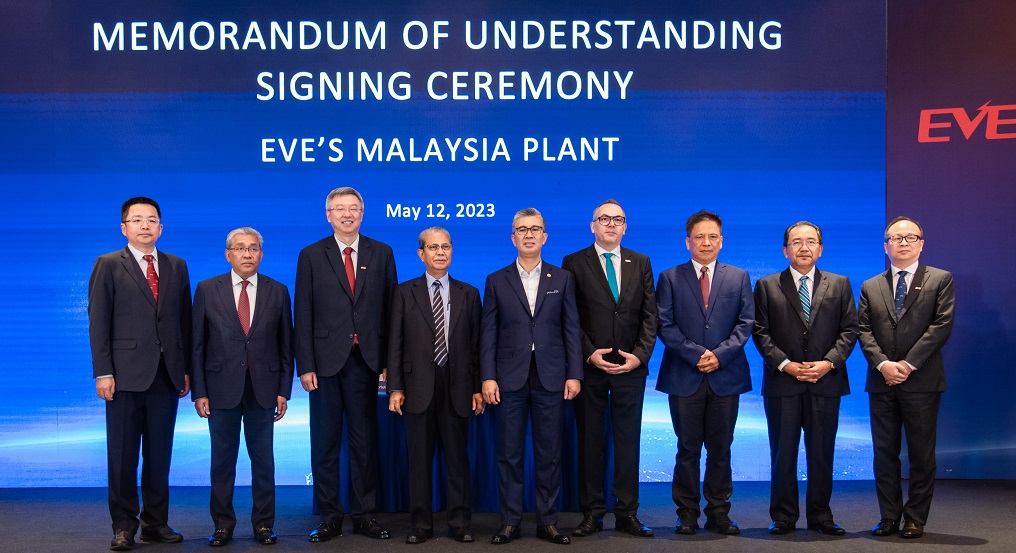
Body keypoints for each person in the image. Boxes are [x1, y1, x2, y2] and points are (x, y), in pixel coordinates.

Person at [294, 187, 397, 542]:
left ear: (362, 214)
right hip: (323, 365)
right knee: (325, 444)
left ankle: (365, 515)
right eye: (340, 209)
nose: (347, 214)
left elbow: (392, 311)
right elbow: (302, 312)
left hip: (365, 362)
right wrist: (305, 364)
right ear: (328, 215)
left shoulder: (382, 252)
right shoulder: (310, 254)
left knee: (363, 442)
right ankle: (330, 517)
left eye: (353, 208)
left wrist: (389, 362)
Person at [88, 197, 191, 551]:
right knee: (123, 456)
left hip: (166, 375)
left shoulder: (177, 265)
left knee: (159, 455)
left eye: (151, 219)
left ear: (161, 228)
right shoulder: (107, 264)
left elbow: (184, 321)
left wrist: (185, 370)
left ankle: (155, 524)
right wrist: (103, 372)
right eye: (137, 219)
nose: (145, 225)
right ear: (124, 227)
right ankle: (123, 526)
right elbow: (98, 322)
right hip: (123, 376)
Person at [481, 208, 583, 545]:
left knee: (549, 454)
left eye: (535, 229)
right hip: (508, 378)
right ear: (513, 237)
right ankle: (509, 522)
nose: (529, 234)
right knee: (509, 454)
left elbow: (571, 328)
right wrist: (488, 376)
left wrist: (575, 373)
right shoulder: (496, 280)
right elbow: (488, 332)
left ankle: (548, 522)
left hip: (551, 377)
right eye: (522, 229)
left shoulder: (562, 278)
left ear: (545, 237)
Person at [751, 221, 858, 536]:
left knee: (822, 453)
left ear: (820, 249)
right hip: (783, 383)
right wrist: (785, 364)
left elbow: (850, 330)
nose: (804, 247)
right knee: (783, 453)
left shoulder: (839, 284)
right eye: (796, 242)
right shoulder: (767, 285)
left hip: (826, 382)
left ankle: (821, 516)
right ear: (785, 250)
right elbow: (760, 332)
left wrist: (828, 363)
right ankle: (783, 516)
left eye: (811, 241)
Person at [192, 227, 294, 546]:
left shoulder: (278, 291)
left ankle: (263, 525)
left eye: (253, 248)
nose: (247, 254)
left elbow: (286, 345)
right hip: (220, 388)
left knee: (263, 462)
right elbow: (197, 345)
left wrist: (284, 390)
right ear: (228, 255)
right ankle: (223, 525)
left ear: (261, 254)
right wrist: (200, 391)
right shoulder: (207, 289)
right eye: (240, 248)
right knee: (222, 462)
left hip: (264, 389)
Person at [561, 200, 657, 538]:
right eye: (604, 219)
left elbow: (650, 315)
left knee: (628, 443)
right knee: (591, 443)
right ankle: (592, 513)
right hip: (590, 370)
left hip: (631, 369)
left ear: (625, 227)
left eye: (618, 219)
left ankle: (627, 513)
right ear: (593, 226)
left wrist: (640, 356)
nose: (611, 224)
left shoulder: (641, 262)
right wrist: (588, 354)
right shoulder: (573, 262)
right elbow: (569, 317)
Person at [656, 210, 753, 536]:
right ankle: (686, 513)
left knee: (721, 449)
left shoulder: (739, 277)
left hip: (727, 376)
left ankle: (718, 513)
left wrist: (719, 356)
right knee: (687, 448)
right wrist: (697, 355)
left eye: (713, 237)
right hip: (684, 375)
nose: (706, 242)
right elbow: (664, 325)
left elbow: (746, 323)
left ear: (721, 241)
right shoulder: (670, 277)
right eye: (700, 237)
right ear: (688, 242)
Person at [387, 227, 484, 545]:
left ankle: (460, 523)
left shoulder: (469, 293)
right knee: (418, 462)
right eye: (433, 247)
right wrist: (395, 387)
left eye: (445, 247)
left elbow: (477, 345)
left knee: (458, 461)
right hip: (417, 387)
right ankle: (420, 525)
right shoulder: (404, 292)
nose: (440, 252)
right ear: (421, 254)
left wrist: (477, 387)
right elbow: (395, 343)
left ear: (452, 251)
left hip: (459, 386)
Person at [859, 216, 954, 539]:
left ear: (921, 244)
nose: (902, 243)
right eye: (895, 238)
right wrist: (883, 365)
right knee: (884, 454)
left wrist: (908, 365)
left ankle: (915, 518)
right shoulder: (871, 285)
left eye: (910, 237)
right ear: (885, 246)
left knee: (921, 455)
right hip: (881, 381)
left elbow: (940, 326)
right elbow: (863, 330)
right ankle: (888, 517)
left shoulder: (940, 279)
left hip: (922, 381)